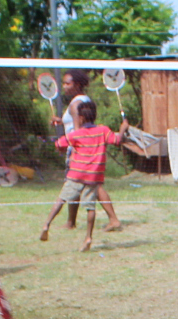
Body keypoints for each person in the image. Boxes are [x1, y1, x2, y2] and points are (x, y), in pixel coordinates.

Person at [40, 99, 126, 252]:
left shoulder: (76, 134)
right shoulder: (103, 131)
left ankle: (47, 224)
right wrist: (123, 128)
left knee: (61, 199)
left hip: (75, 175)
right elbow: (118, 140)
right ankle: (88, 238)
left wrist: (59, 144)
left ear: (80, 118)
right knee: (90, 208)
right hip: (93, 178)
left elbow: (59, 144)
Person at [59, 71, 124, 233]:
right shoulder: (85, 100)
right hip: (89, 149)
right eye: (64, 83)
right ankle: (71, 221)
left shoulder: (75, 104)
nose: (64, 87)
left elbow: (78, 131)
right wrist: (60, 121)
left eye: (68, 83)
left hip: (79, 151)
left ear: (77, 85)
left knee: (81, 184)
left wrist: (74, 152)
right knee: (89, 184)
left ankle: (112, 219)